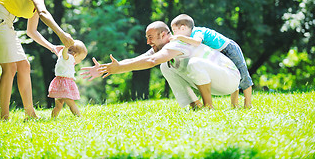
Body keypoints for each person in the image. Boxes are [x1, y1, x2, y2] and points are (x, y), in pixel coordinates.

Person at [0, 0, 75, 120]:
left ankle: (30, 114)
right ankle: (4, 117)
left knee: (24, 65)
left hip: (6, 22)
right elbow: (43, 13)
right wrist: (62, 34)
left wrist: (52, 47)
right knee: (10, 67)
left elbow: (32, 31)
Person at [81, 21, 240, 109]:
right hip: (214, 79)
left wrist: (120, 68)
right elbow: (141, 58)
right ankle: (194, 105)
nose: (148, 42)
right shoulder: (163, 47)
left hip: (229, 79)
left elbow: (151, 61)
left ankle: (208, 107)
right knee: (166, 66)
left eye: (151, 37)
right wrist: (109, 67)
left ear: (164, 35)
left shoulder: (177, 42)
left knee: (193, 63)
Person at [170, 14, 253, 108]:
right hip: (218, 55)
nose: (174, 34)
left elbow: (197, 42)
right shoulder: (189, 37)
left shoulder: (197, 31)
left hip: (229, 49)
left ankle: (248, 104)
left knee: (243, 75)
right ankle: (234, 105)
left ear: (183, 28)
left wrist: (180, 38)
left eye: (174, 31)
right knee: (232, 74)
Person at [48, 40, 87, 118]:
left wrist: (66, 47)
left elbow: (63, 52)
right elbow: (64, 53)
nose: (79, 61)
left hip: (59, 82)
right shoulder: (68, 58)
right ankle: (79, 117)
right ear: (75, 55)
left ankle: (53, 118)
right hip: (64, 84)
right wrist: (66, 46)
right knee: (71, 103)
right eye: (81, 59)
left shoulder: (63, 57)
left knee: (58, 105)